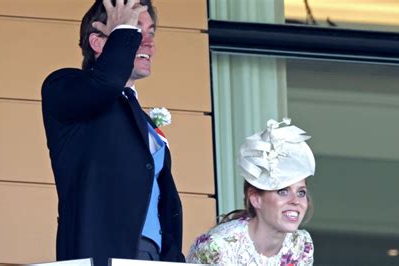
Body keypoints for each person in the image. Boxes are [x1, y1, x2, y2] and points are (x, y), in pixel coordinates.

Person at [41, 0, 184, 265]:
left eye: (150, 32)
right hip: (105, 253)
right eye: (135, 30)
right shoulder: (63, 86)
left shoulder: (141, 118)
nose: (148, 42)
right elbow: (104, 85)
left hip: (153, 254)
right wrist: (123, 32)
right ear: (98, 43)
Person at [187, 118, 315, 265]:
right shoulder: (218, 247)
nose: (295, 201)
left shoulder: (300, 244)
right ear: (255, 199)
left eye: (301, 193)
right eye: (283, 191)